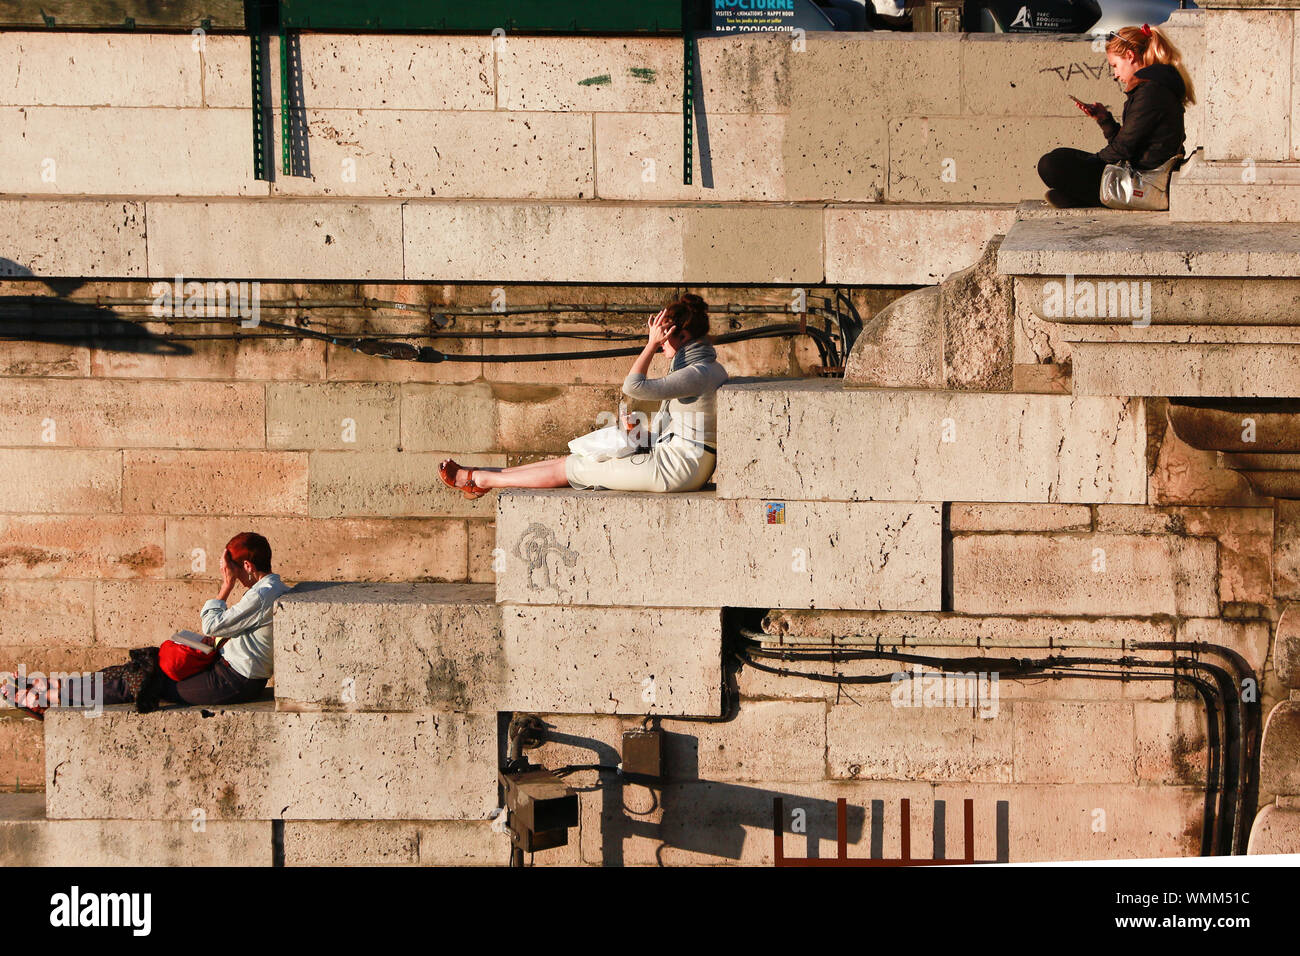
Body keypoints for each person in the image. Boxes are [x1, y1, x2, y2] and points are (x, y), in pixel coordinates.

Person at [439, 294, 728, 496]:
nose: (661, 345)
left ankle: (481, 479)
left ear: (684, 337)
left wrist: (650, 347)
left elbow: (634, 385)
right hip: (681, 461)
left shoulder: (697, 373)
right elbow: (685, 426)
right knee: (575, 458)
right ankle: (482, 475)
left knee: (575, 468)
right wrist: (642, 435)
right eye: (658, 340)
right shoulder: (702, 368)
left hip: (677, 470)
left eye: (663, 338)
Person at [2, 532, 288, 715]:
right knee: (141, 668)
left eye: (233, 571)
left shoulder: (262, 595)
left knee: (144, 682)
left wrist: (224, 587)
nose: (233, 577)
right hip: (225, 669)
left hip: (232, 682)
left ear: (248, 567)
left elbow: (212, 625)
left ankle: (51, 697)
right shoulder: (267, 591)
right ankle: (54, 685)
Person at [1037, 23, 1195, 208]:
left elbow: (1124, 148)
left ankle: (1092, 198)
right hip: (1136, 170)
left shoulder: (1152, 91)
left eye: (1115, 66)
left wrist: (1092, 162)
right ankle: (1083, 196)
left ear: (1130, 56)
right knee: (1061, 155)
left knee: (1051, 164)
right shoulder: (1151, 87)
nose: (1115, 74)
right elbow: (1129, 143)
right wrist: (1105, 119)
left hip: (1142, 180)